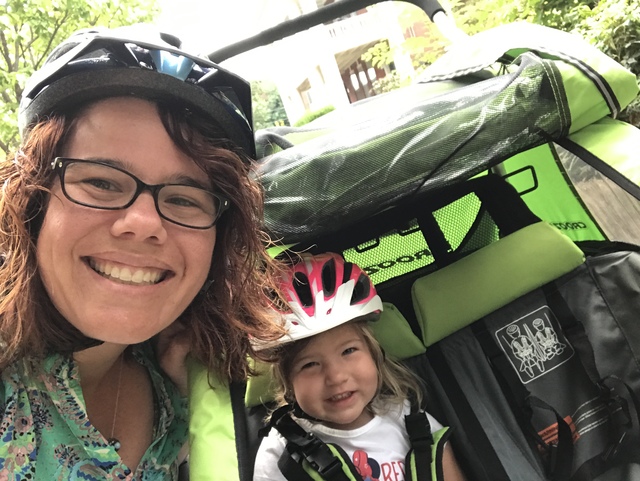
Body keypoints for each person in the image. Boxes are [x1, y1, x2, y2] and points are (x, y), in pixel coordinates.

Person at [0, 25, 285, 479]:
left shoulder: (180, 395)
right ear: (33, 203)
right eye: (100, 182)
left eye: (184, 199)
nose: (145, 223)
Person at [253, 252, 467, 481]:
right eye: (310, 364)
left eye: (348, 351)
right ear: (287, 382)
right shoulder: (281, 452)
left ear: (374, 353)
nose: (336, 377)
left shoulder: (409, 419)